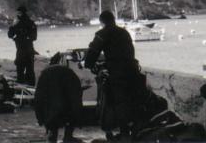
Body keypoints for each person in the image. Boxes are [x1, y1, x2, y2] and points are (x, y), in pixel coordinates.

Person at [84, 10, 140, 141]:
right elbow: (130, 51)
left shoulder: (103, 33)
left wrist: (88, 63)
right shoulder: (124, 32)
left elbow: (93, 53)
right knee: (129, 100)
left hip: (117, 72)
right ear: (114, 19)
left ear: (102, 22)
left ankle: (116, 131)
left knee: (112, 100)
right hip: (132, 71)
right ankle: (128, 130)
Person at [35, 53, 84, 143]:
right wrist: (78, 118)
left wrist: (40, 119)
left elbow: (38, 98)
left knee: (52, 117)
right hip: (67, 101)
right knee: (69, 112)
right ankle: (68, 136)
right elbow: (76, 99)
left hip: (52, 108)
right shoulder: (70, 73)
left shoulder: (45, 74)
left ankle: (52, 135)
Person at [8, 5, 37, 85]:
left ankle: (23, 85)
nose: (17, 14)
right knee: (28, 70)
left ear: (21, 13)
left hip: (23, 49)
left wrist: (19, 35)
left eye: (19, 13)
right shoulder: (30, 23)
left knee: (22, 70)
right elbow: (34, 37)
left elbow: (10, 35)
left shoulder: (21, 24)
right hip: (26, 49)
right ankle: (30, 86)